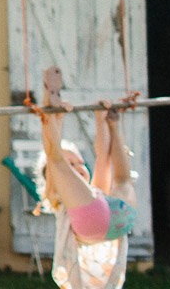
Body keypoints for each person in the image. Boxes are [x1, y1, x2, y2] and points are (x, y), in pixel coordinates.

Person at [37, 66, 138, 289]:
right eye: (71, 165)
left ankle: (113, 123)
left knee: (121, 179)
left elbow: (103, 156)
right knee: (57, 160)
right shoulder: (57, 192)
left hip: (117, 218)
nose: (78, 168)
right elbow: (55, 160)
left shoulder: (94, 196)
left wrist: (101, 119)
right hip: (112, 221)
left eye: (80, 163)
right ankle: (51, 104)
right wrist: (55, 119)